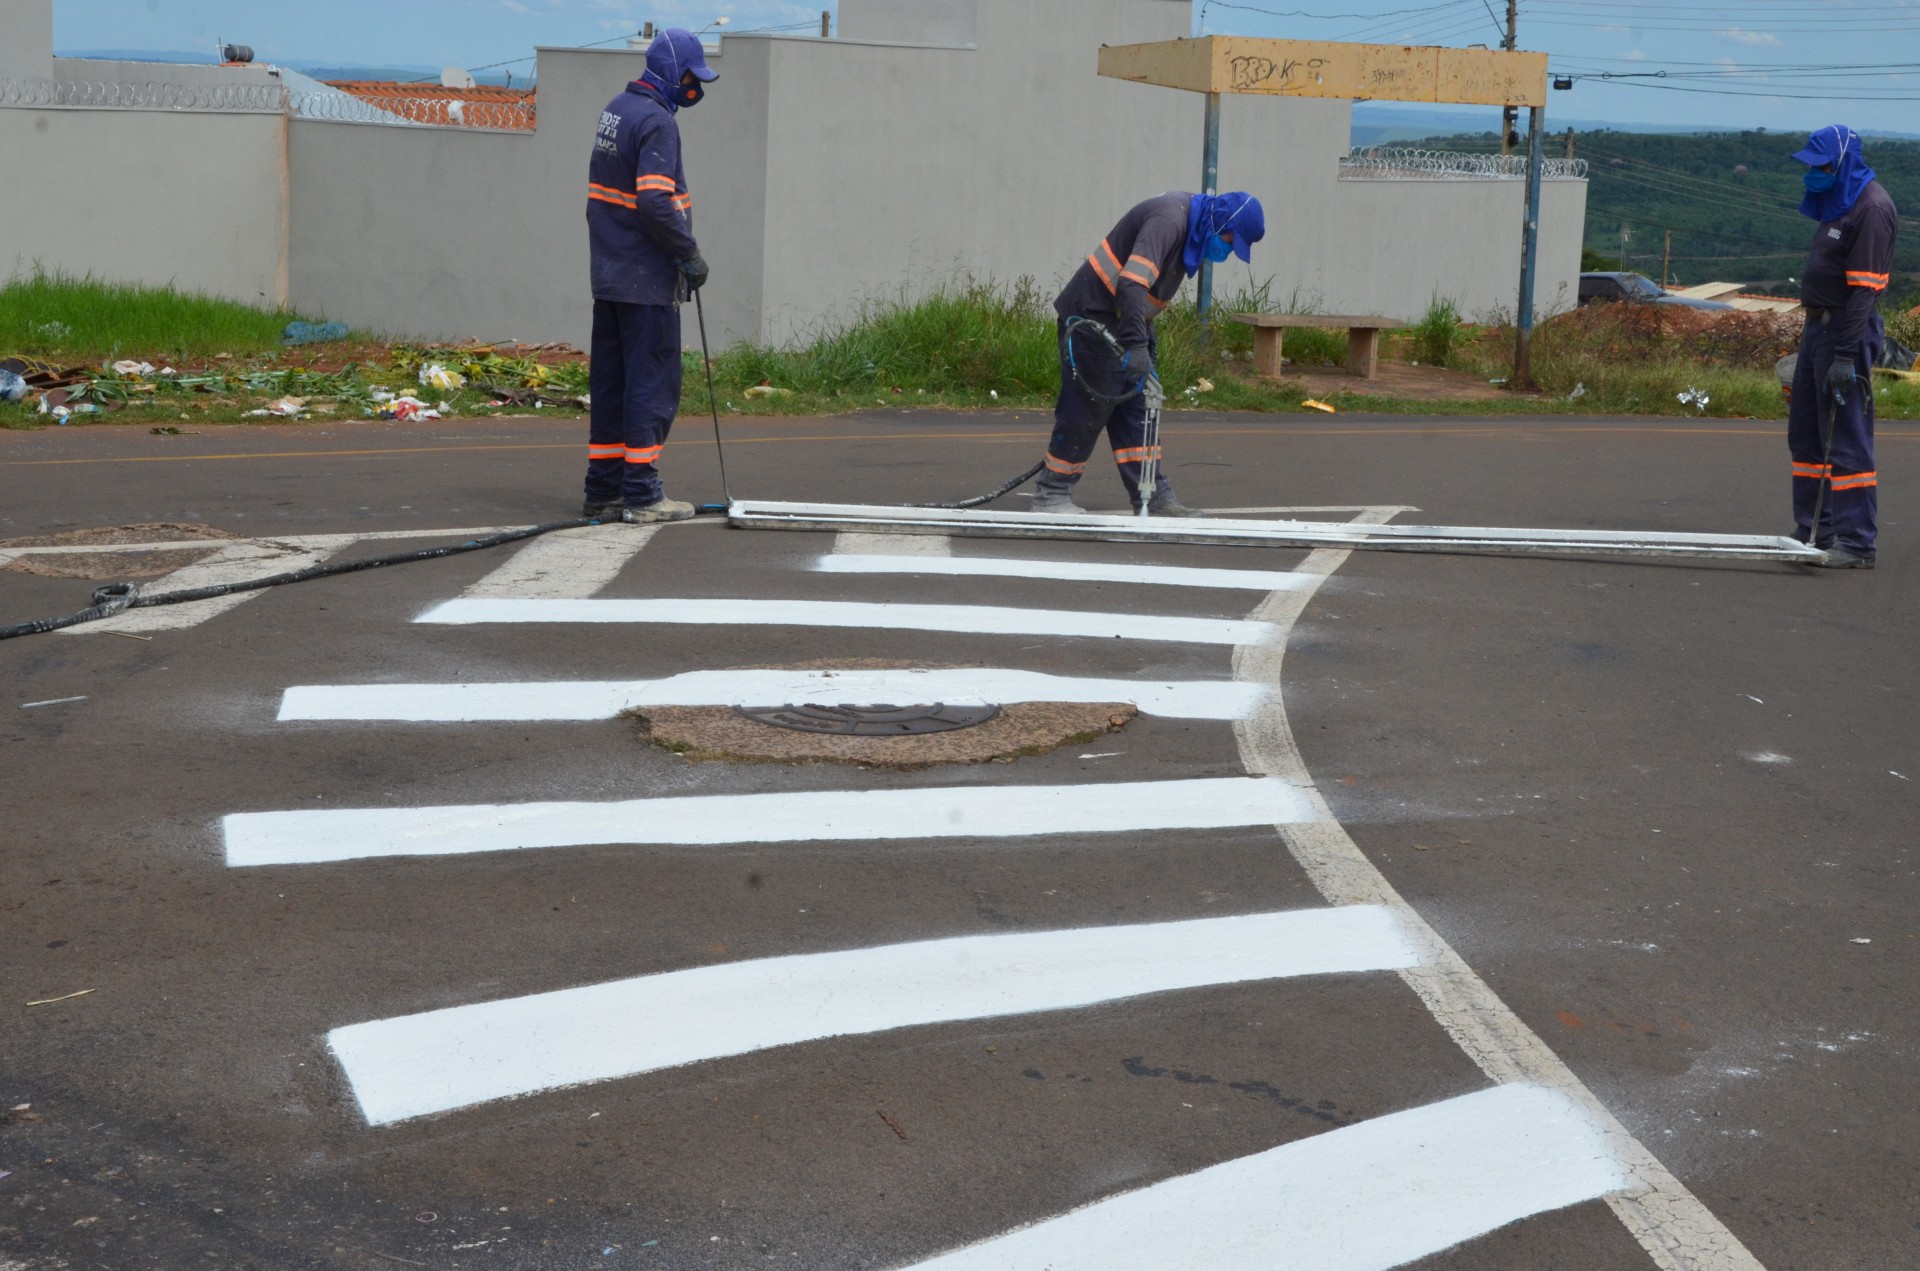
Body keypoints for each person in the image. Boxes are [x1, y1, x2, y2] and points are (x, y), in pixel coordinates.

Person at [1031, 192, 1265, 516]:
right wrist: (1137, 343)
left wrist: (1144, 334)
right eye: (1229, 240)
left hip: (1118, 319)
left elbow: (1144, 294)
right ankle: (1051, 494)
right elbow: (1132, 283)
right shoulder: (1169, 220)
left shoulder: (1189, 229)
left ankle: (1152, 497)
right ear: (1222, 221)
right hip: (1090, 316)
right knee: (1089, 407)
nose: (1225, 249)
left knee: (1138, 408)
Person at [581, 28, 717, 523]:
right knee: (651, 387)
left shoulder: (616, 110)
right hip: (645, 280)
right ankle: (642, 495)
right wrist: (688, 253)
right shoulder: (658, 122)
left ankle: (604, 491)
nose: (694, 86)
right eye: (690, 76)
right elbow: (656, 201)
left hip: (610, 275)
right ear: (671, 72)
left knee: (612, 386)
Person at [1788, 125, 1898, 568]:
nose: (1813, 172)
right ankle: (1815, 529)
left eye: (1821, 165)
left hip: (1845, 332)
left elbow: (1864, 292)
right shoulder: (1838, 199)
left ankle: (1856, 543)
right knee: (1807, 436)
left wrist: (1845, 355)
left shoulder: (1871, 208)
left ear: (1843, 160)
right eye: (1810, 165)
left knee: (1846, 438)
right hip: (1818, 329)